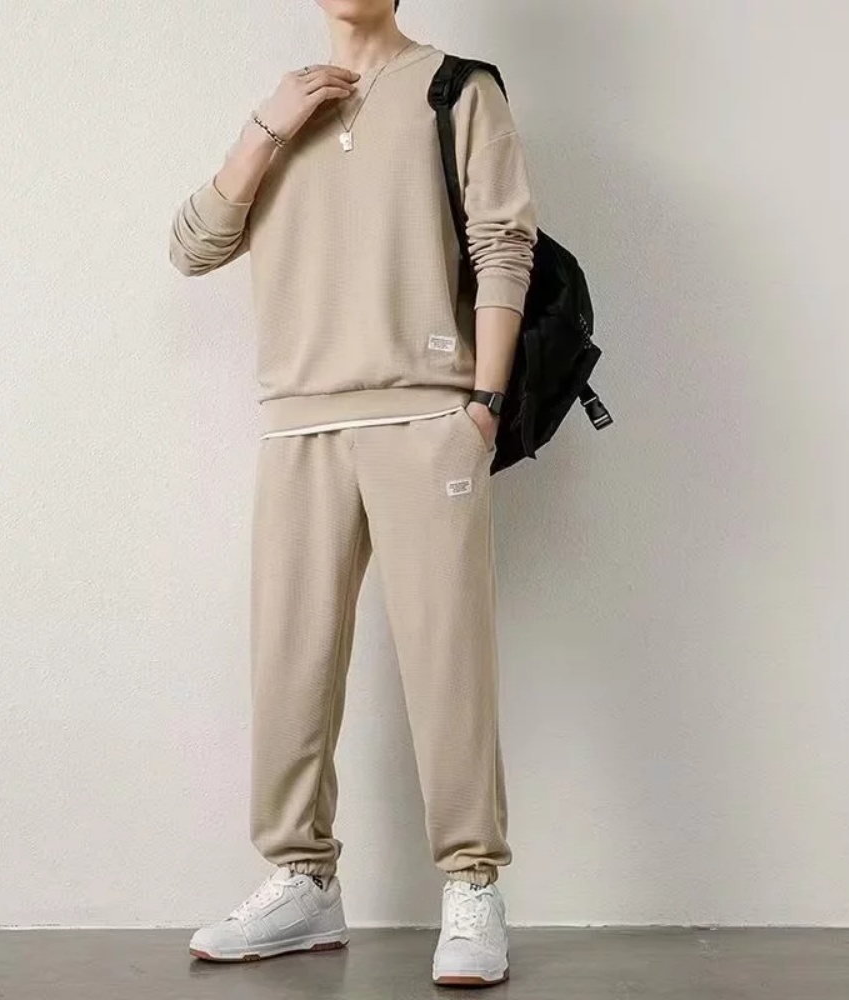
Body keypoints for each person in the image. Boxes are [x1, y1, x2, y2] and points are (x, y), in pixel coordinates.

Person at [168, 0, 537, 987]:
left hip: (428, 415)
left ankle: (472, 883)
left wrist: (482, 404)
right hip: (299, 425)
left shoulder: (459, 88)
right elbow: (193, 246)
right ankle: (301, 881)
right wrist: (267, 128)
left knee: (448, 664)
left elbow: (504, 243)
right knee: (289, 664)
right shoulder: (282, 108)